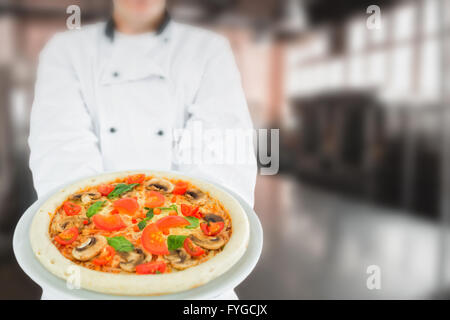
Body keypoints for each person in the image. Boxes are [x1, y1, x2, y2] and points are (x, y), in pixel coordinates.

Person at [28, 0, 257, 299]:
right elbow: (59, 153)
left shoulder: (209, 50)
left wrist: (187, 240)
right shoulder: (65, 50)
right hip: (78, 287)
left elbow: (224, 154)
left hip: (199, 292)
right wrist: (105, 236)